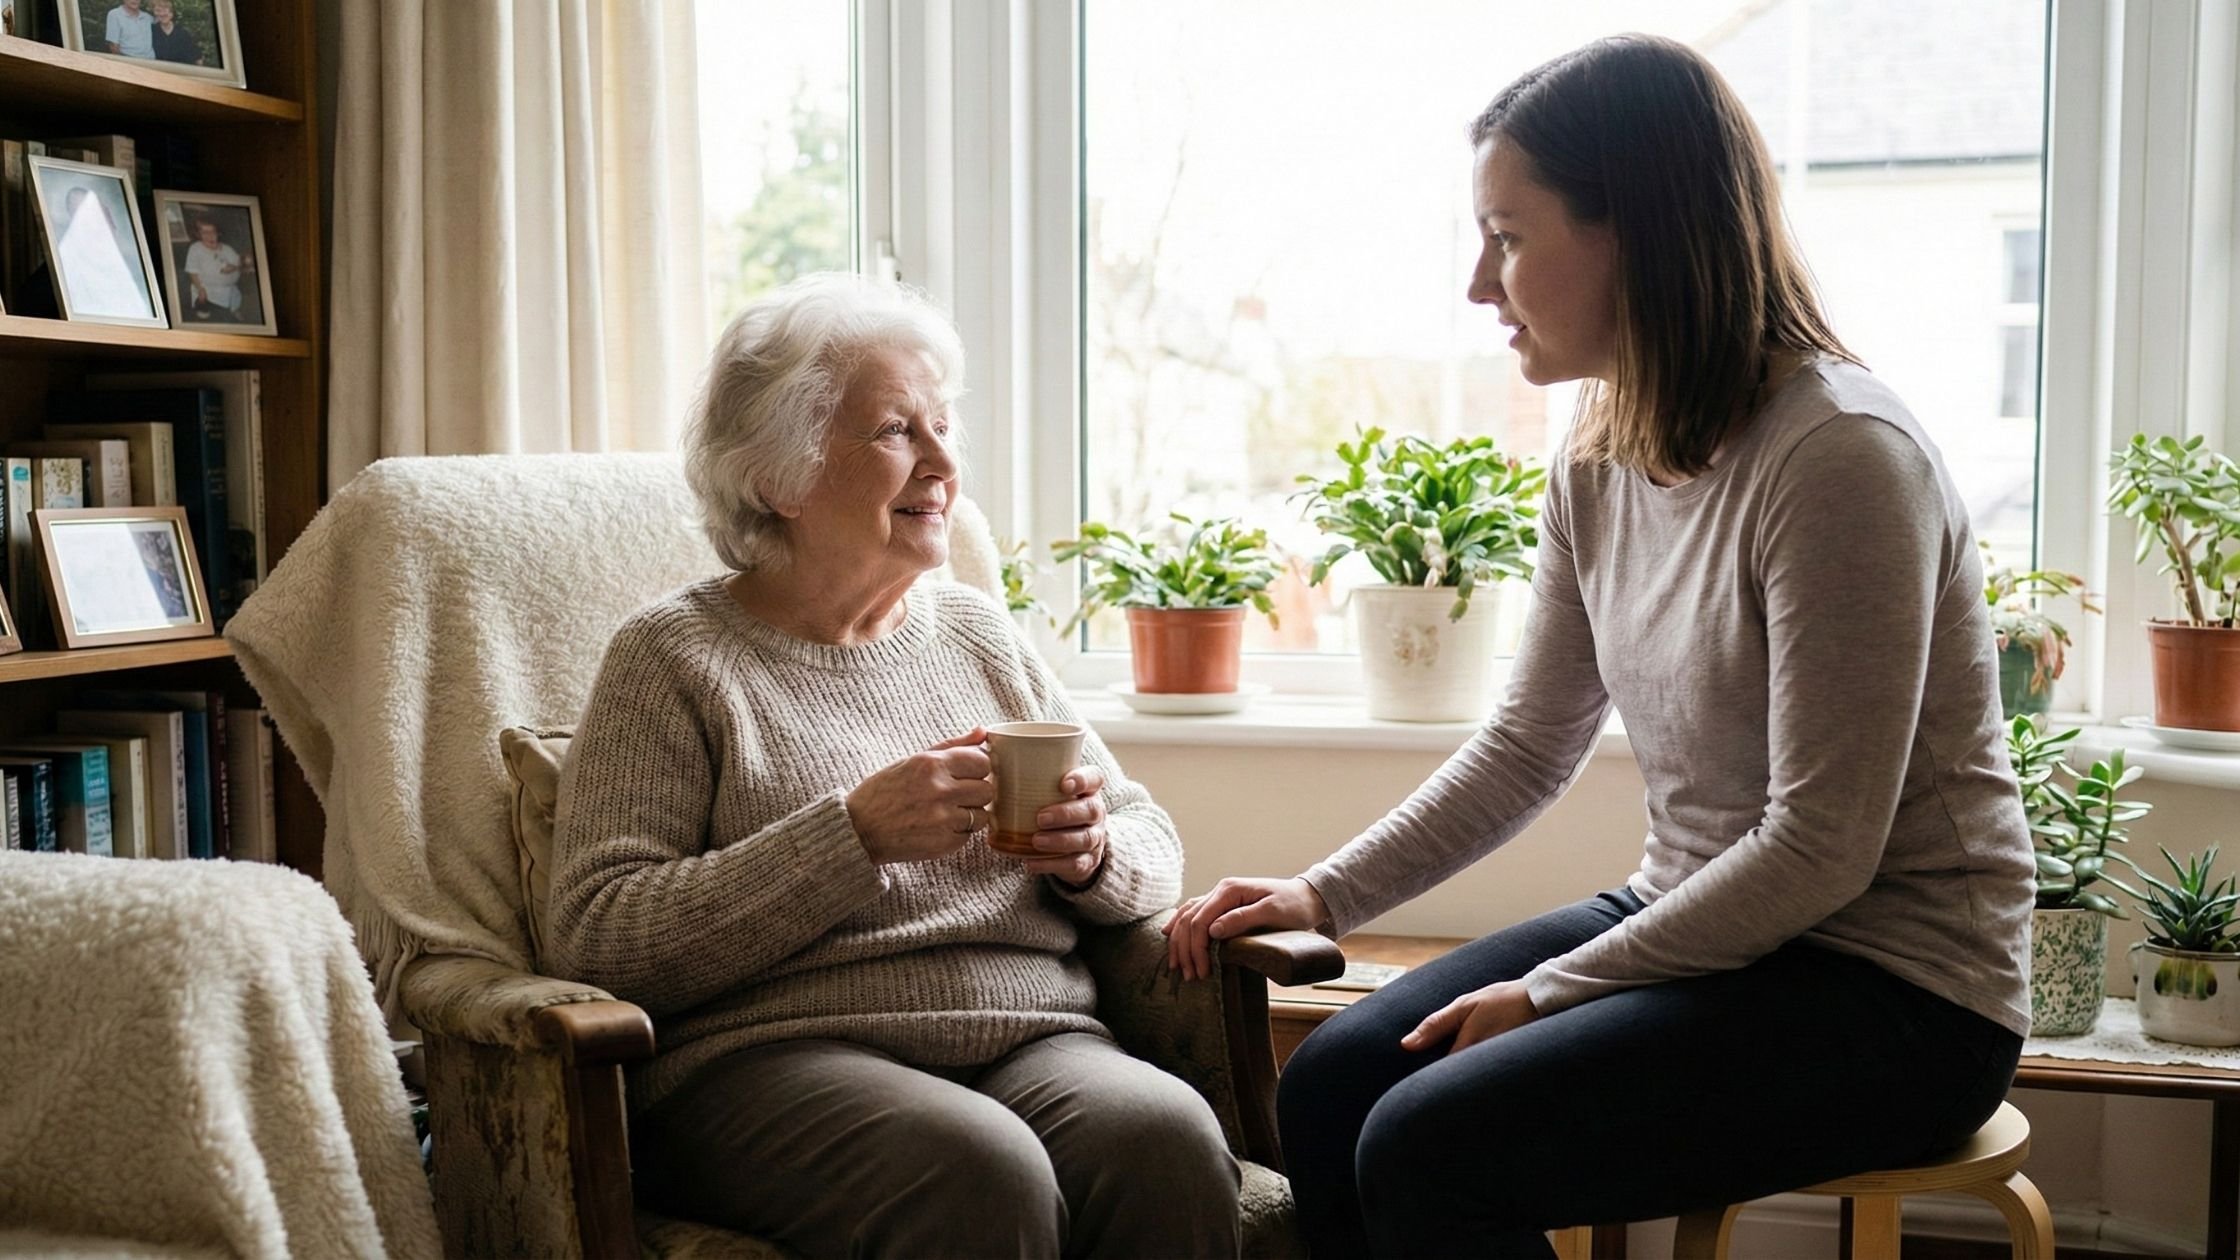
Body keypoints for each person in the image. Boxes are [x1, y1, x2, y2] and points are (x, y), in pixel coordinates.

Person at [1164, 34, 2033, 1260]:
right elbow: (1530, 743)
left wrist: (1552, 992)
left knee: (1426, 1144)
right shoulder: (1596, 441)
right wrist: (1325, 892)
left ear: (1634, 232)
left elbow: (1822, 847)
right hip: (1700, 919)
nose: (1479, 282)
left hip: (1894, 990)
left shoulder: (1839, 460)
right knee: (1332, 1086)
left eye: (1508, 237)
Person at [549, 272, 1241, 1259]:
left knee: (1160, 1137)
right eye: (894, 431)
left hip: (1031, 1038)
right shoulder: (673, 659)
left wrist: (1090, 853)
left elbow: (1147, 840)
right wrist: (850, 838)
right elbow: (596, 935)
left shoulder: (975, 632)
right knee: (977, 1170)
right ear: (777, 475)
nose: (941, 461)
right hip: (773, 1060)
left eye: (944, 425)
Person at [180, 216, 245, 319]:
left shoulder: (227, 249)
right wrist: (200, 289)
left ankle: (234, 309)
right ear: (198, 234)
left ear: (218, 233)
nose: (210, 235)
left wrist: (236, 267)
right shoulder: (196, 249)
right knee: (205, 314)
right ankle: (204, 307)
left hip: (230, 289)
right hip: (206, 289)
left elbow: (239, 263)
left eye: (213, 231)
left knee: (234, 301)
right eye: (205, 232)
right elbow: (192, 272)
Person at [149, 0, 202, 65]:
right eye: (158, 10)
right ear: (154, 13)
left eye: (165, 10)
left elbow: (198, 59)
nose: (162, 14)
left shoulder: (183, 34)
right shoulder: (151, 31)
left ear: (171, 13)